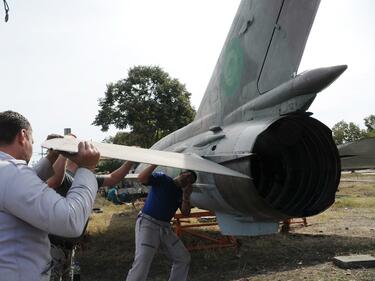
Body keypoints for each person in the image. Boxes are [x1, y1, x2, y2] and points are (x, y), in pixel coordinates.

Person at [0, 110, 100, 281]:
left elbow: (15, 190)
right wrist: (87, 169)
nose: (32, 145)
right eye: (32, 140)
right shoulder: (11, 171)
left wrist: (52, 157)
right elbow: (70, 220)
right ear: (22, 136)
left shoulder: (6, 171)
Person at [125, 164, 197, 281]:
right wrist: (154, 162)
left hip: (165, 228)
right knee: (143, 259)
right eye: (188, 174)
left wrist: (186, 195)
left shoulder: (181, 193)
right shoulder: (163, 179)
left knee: (183, 258)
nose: (188, 178)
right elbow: (142, 178)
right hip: (148, 223)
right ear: (181, 173)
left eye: (191, 180)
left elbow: (185, 213)